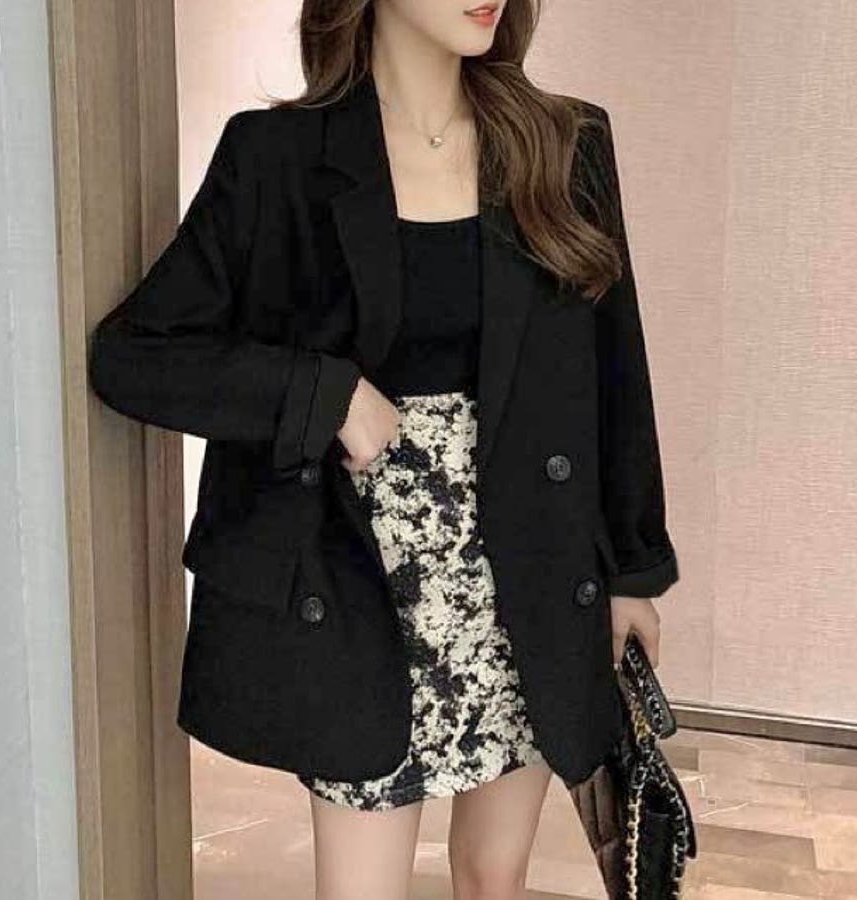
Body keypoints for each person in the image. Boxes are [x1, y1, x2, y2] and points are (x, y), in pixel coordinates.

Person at [89, 1, 680, 897]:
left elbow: (616, 374)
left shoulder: (563, 144)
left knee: (493, 876)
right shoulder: (277, 158)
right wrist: (321, 396)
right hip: (358, 589)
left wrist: (633, 570)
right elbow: (134, 356)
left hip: (526, 575)